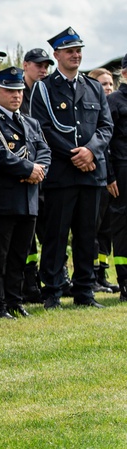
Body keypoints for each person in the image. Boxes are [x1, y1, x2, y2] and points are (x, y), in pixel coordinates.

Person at [30, 27, 112, 309]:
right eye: (70, 51)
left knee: (87, 235)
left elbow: (105, 126)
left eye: (78, 51)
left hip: (92, 172)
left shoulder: (93, 87)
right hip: (62, 173)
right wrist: (74, 154)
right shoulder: (44, 88)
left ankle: (85, 291)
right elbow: (42, 128)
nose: (76, 55)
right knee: (56, 234)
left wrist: (91, 151)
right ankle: (52, 291)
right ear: (57, 55)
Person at [0, 67, 51, 319]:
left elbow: (45, 150)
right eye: (10, 91)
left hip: (29, 199)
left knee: (19, 255)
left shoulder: (30, 122)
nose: (16, 96)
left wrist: (39, 169)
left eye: (19, 91)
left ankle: (15, 300)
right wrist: (28, 169)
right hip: (4, 199)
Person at [19, 47, 54, 302]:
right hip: (21, 173)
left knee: (46, 230)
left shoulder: (47, 92)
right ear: (25, 65)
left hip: (42, 172)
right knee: (26, 237)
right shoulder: (15, 91)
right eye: (38, 65)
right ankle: (27, 282)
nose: (43, 70)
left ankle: (47, 278)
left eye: (46, 66)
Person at [87, 68, 119, 293]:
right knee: (93, 229)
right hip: (99, 178)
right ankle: (90, 276)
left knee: (107, 230)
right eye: (103, 84)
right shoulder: (94, 114)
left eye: (109, 84)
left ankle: (102, 274)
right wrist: (109, 176)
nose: (107, 88)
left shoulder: (113, 110)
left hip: (114, 179)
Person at [104, 55, 127, 301]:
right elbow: (105, 141)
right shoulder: (114, 101)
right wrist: (110, 176)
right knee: (122, 226)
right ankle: (125, 281)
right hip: (122, 170)